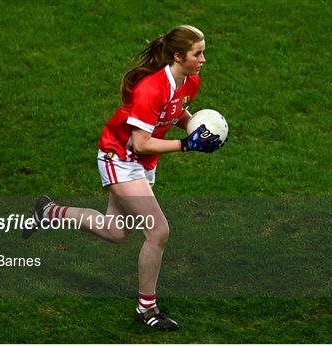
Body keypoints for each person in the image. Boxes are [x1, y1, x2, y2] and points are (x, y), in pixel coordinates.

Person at [23, 25, 222, 331]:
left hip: (142, 163)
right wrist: (187, 145)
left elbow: (175, 111)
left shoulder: (189, 81)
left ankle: (48, 212)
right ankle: (147, 310)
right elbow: (141, 142)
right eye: (198, 53)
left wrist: (195, 128)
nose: (204, 59)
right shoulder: (150, 88)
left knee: (115, 232)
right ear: (179, 56)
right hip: (120, 158)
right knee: (158, 232)